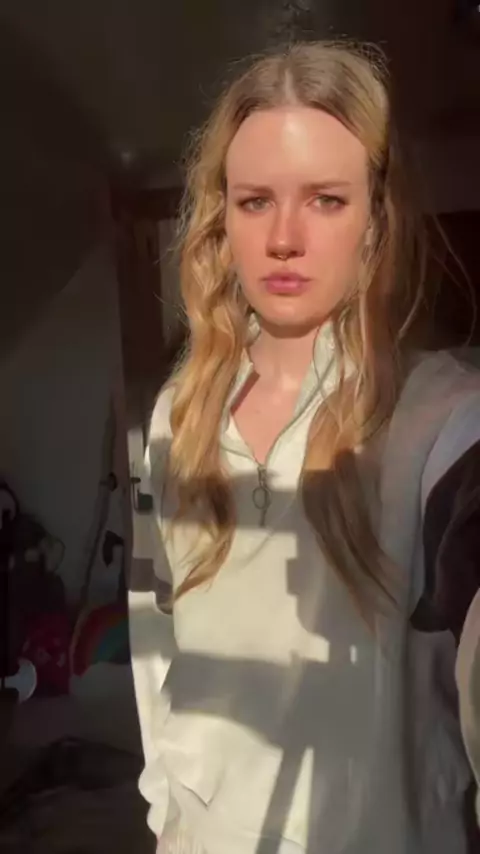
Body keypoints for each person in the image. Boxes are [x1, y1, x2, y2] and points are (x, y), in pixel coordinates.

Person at [129, 40, 480, 854]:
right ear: (222, 218)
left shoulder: (445, 421)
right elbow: (154, 639)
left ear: (376, 220)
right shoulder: (177, 416)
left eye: (325, 199)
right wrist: (165, 812)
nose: (284, 237)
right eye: (255, 201)